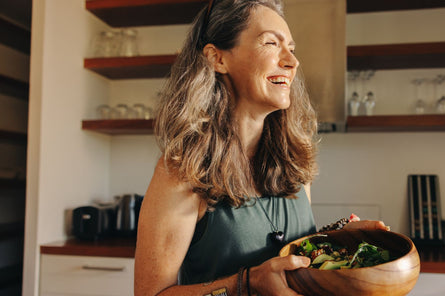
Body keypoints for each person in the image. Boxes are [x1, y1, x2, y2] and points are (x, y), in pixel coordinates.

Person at [134, 0, 389, 295]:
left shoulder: (295, 159)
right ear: (218, 59)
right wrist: (246, 283)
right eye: (271, 43)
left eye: (291, 49)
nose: (292, 62)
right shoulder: (182, 170)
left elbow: (293, 255)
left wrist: (338, 237)